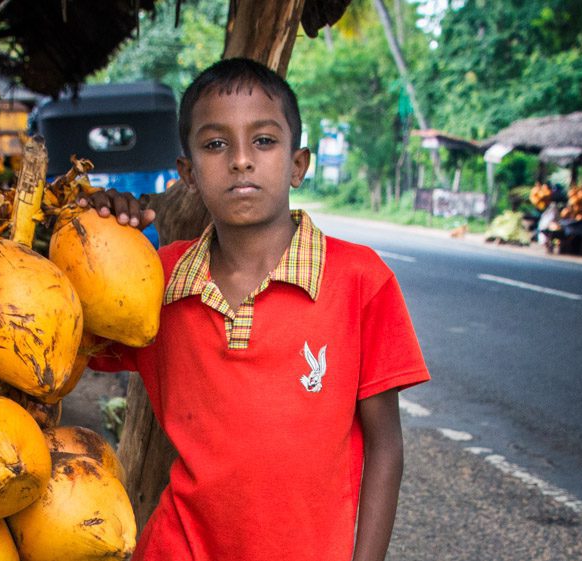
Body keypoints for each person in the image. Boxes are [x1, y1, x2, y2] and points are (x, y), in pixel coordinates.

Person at [79, 57, 430, 561]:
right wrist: (100, 235)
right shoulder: (157, 279)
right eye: (215, 144)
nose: (241, 160)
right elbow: (62, 341)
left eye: (263, 141)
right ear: (188, 174)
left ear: (297, 164)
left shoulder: (358, 281)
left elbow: (385, 447)